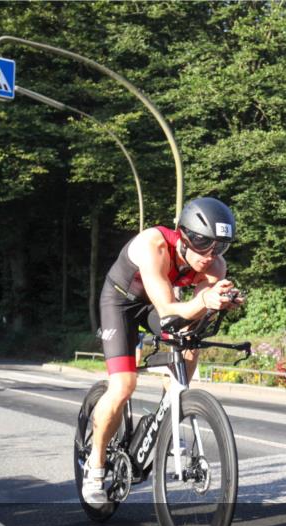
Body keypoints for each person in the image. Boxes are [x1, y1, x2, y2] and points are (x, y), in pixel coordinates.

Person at [84, 197, 245, 508]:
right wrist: (204, 301)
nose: (209, 255)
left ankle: (174, 407)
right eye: (202, 243)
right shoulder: (153, 244)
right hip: (121, 303)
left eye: (220, 247)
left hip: (157, 305)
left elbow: (190, 317)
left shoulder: (214, 265)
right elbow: (170, 309)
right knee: (123, 386)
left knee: (190, 337)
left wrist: (219, 301)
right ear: (183, 235)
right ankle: (95, 466)